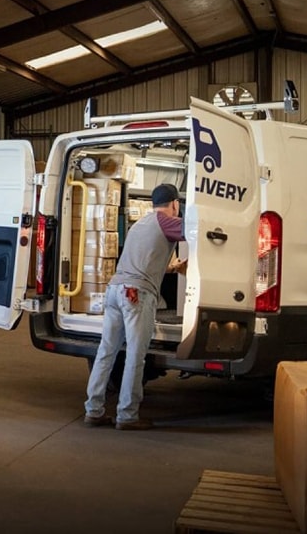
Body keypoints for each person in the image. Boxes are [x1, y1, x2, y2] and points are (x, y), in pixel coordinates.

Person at [84, 183, 185, 431]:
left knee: (106, 352)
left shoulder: (141, 223)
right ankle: (127, 415)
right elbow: (199, 233)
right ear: (175, 203)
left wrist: (172, 267)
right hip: (136, 295)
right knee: (135, 356)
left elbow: (144, 257)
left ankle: (93, 411)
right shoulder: (168, 222)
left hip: (115, 290)